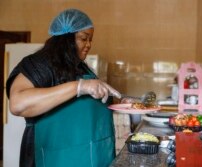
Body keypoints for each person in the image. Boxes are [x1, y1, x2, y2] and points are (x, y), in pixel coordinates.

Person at [6, 8, 121, 167]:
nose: (89, 45)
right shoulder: (41, 63)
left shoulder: (81, 67)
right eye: (83, 38)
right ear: (66, 38)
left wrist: (119, 102)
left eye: (91, 40)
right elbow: (17, 103)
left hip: (88, 156)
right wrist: (79, 87)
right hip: (52, 157)